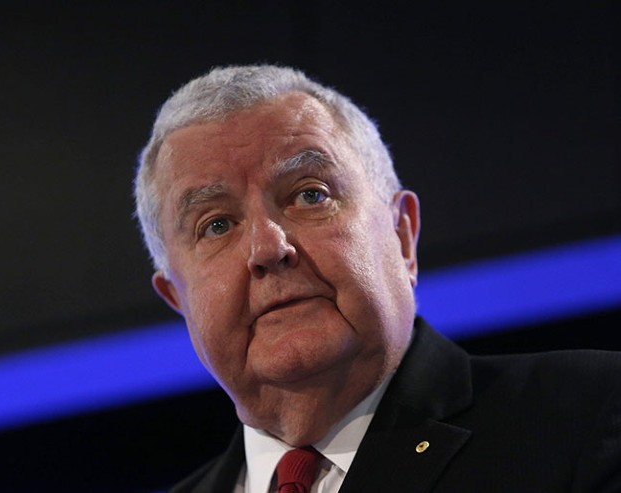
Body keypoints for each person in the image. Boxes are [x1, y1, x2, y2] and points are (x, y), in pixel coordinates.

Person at [133, 65, 621, 492]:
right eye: (216, 225)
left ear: (402, 235)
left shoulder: (586, 414)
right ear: (177, 298)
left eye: (310, 195)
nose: (267, 248)